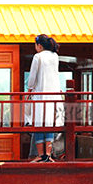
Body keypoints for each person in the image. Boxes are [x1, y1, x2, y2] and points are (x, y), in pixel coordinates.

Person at [27, 34, 61, 162]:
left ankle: (41, 155)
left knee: (39, 124)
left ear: (39, 46)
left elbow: (32, 78)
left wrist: (30, 88)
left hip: (40, 95)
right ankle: (48, 154)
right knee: (49, 123)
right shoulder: (55, 56)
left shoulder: (38, 57)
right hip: (53, 96)